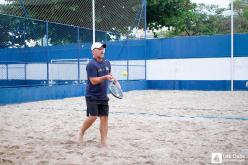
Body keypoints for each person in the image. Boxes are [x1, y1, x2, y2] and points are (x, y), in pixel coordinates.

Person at [79, 42, 115, 147]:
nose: (102, 50)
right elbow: (93, 81)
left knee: (104, 119)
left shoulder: (107, 63)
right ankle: (81, 132)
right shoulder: (91, 64)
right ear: (93, 51)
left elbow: (109, 75)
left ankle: (103, 142)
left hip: (103, 96)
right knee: (93, 117)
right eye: (99, 48)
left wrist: (115, 80)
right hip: (92, 96)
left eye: (103, 48)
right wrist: (105, 77)